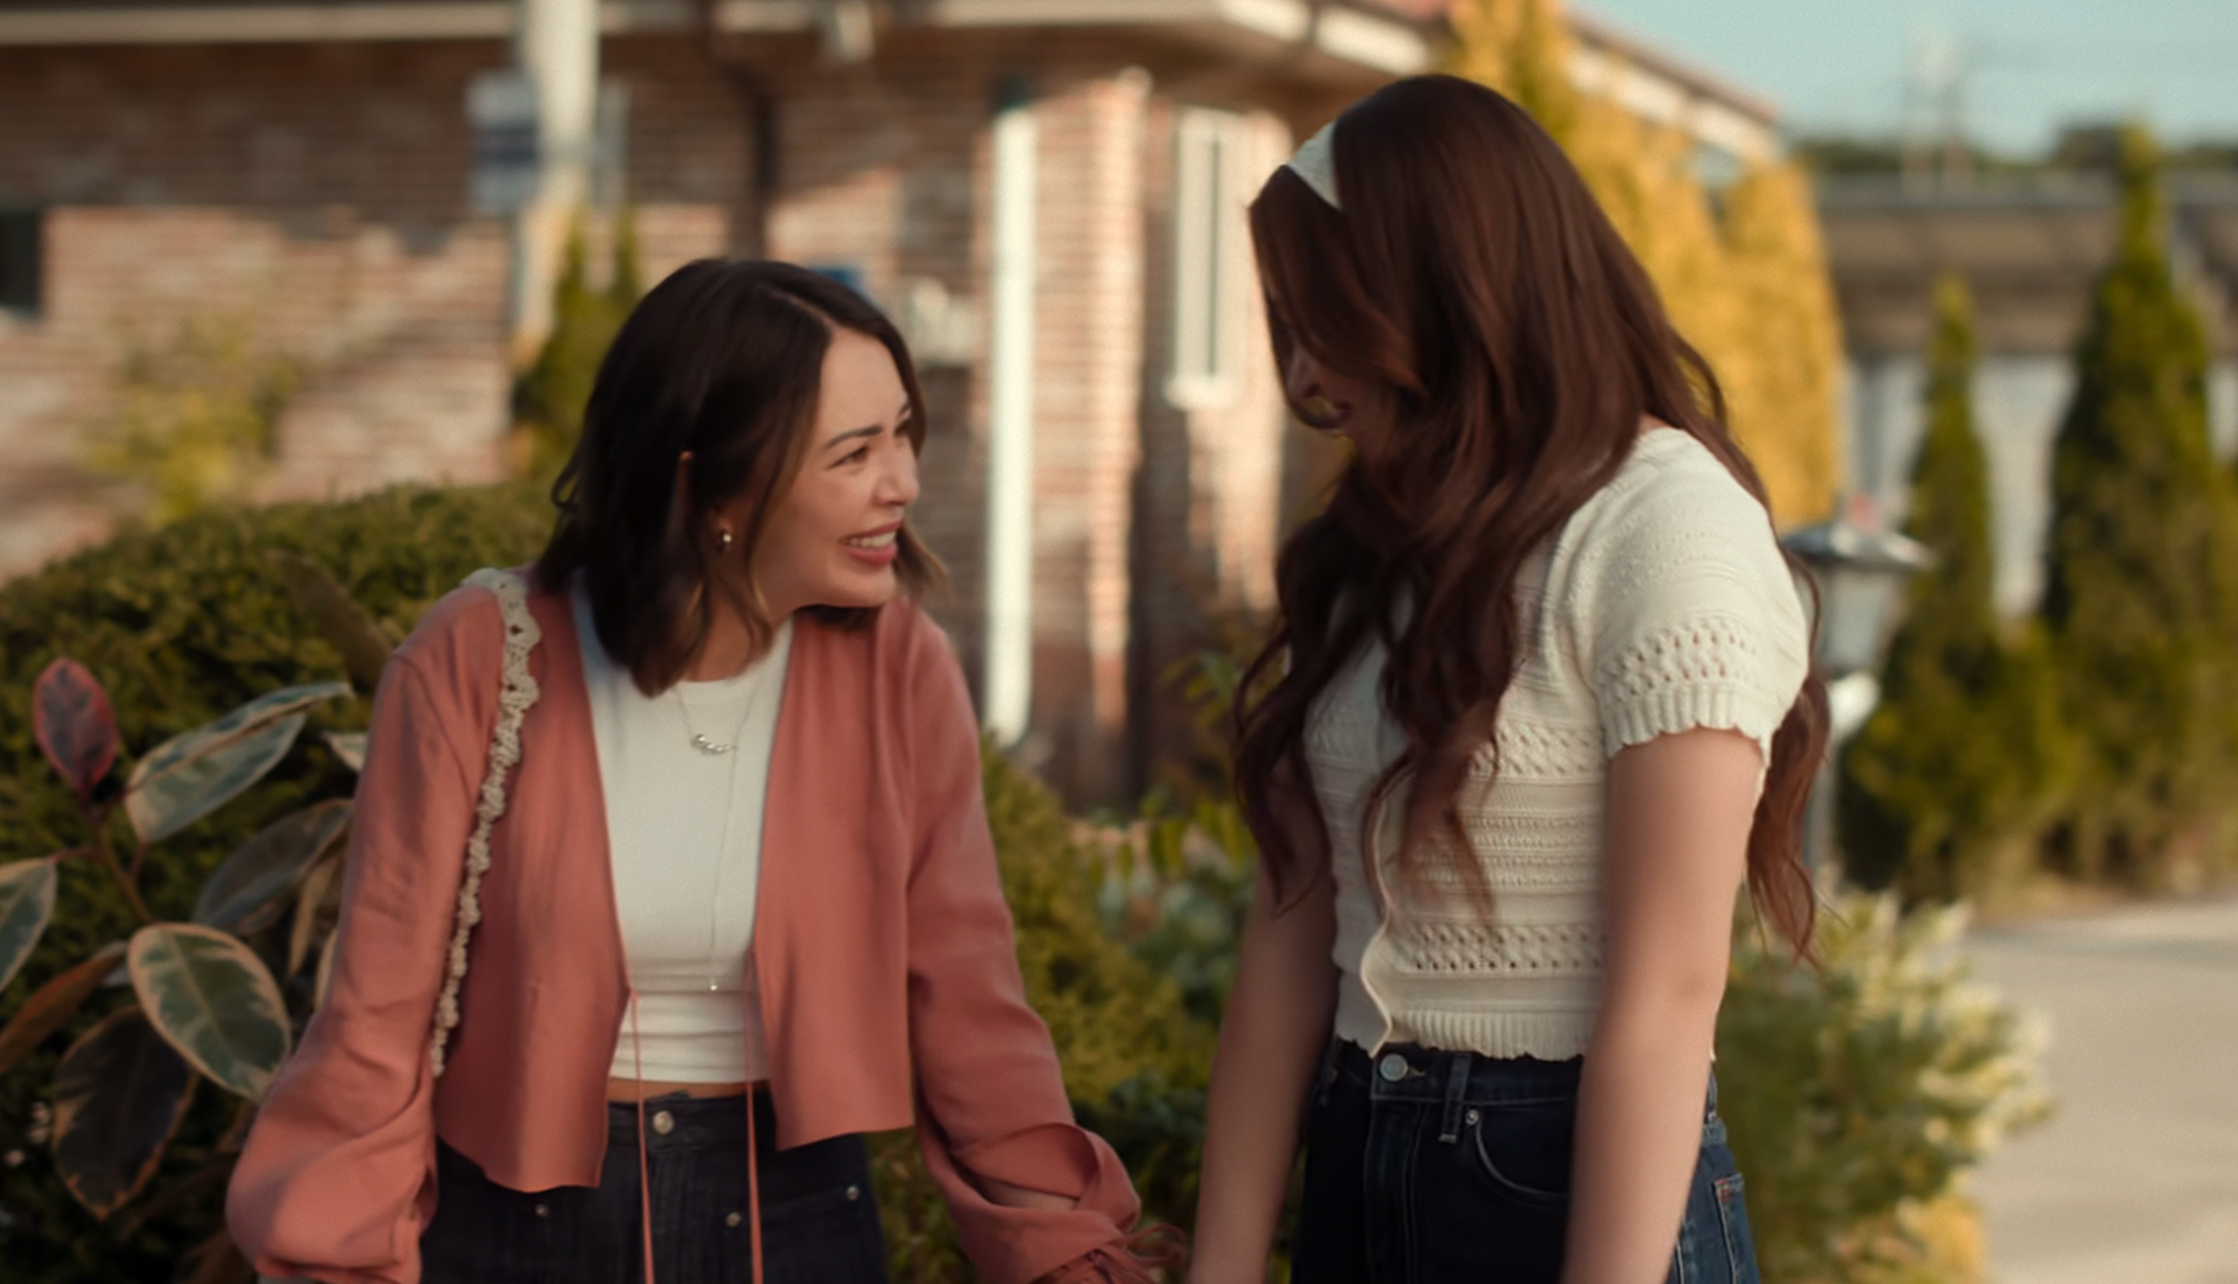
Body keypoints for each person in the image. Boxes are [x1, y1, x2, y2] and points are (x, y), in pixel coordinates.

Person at [229, 259, 1162, 1284]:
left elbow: (969, 1004)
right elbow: (377, 1018)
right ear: (710, 484)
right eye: (853, 453)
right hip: (518, 1233)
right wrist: (338, 1259)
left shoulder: (900, 669)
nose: (903, 481)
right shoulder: (479, 658)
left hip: (797, 1223)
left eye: (902, 433)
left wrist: (1065, 1255)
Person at [1188, 75, 1825, 1284]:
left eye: (1327, 319)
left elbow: (1665, 996)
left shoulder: (1662, 529)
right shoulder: (1387, 538)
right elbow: (1289, 931)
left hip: (1561, 1180)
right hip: (1358, 1149)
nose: (1311, 377)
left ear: (1445, 297)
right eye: (1290, 323)